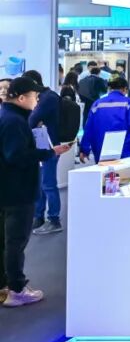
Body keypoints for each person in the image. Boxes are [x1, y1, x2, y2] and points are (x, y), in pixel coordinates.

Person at [0, 77, 70, 307]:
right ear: (21, 98)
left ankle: (5, 286)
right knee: (16, 242)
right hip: (18, 191)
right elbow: (16, 156)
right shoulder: (14, 122)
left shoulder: (8, 117)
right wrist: (47, 153)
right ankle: (16, 289)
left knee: (7, 241)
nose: (36, 100)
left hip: (8, 190)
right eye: (34, 96)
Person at [25, 71, 63, 235]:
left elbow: (32, 119)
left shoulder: (48, 98)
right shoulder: (42, 97)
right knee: (39, 183)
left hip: (49, 146)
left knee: (48, 184)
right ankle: (38, 217)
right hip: (40, 145)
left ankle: (54, 219)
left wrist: (32, 117)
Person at [79, 77, 130, 164]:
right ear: (125, 89)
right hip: (123, 146)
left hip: (100, 147)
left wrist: (84, 149)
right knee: (123, 171)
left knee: (104, 171)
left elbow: (88, 128)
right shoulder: (128, 102)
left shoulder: (97, 104)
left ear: (109, 89)